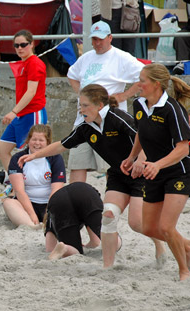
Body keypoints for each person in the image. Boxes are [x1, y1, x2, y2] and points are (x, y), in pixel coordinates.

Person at [19, 84, 165, 268]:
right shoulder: (85, 128)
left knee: (136, 223)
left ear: (99, 105)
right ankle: (108, 266)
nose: (81, 110)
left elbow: (145, 136)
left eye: (85, 105)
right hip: (118, 176)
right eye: (79, 106)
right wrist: (34, 155)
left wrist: (140, 160)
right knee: (108, 217)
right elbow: (62, 144)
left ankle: (161, 244)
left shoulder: (117, 117)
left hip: (140, 174)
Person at [121, 63, 190, 281]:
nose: (138, 84)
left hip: (178, 172)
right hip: (153, 172)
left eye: (142, 80)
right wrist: (132, 156)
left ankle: (184, 271)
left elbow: (184, 148)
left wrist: (158, 164)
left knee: (167, 227)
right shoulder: (139, 104)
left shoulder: (172, 109)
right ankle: (186, 247)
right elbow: (141, 131)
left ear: (156, 85)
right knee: (149, 227)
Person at [66, 20, 143, 184]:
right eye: (94, 39)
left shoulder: (122, 57)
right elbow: (72, 75)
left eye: (100, 39)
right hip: (84, 119)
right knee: (77, 163)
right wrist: (81, 94)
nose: (97, 43)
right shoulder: (86, 57)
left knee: (112, 165)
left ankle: (111, 200)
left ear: (110, 37)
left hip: (109, 119)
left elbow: (144, 76)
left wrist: (124, 95)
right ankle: (76, 202)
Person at [0, 29, 47, 177]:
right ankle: (15, 180)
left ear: (32, 44)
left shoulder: (34, 63)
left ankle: (26, 184)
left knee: (32, 154)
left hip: (32, 113)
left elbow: (31, 92)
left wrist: (13, 112)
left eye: (23, 45)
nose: (19, 48)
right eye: (16, 45)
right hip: (21, 113)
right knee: (2, 149)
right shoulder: (25, 63)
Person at [3, 124, 65, 228]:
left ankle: (48, 222)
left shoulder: (55, 158)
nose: (37, 143)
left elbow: (56, 190)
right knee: (8, 203)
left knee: (67, 202)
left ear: (48, 143)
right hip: (27, 205)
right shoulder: (17, 158)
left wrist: (48, 212)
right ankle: (32, 226)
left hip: (49, 203)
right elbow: (19, 191)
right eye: (34, 139)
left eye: (41, 140)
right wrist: (32, 214)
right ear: (28, 141)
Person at [44, 182, 103, 260]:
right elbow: (95, 241)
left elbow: (49, 248)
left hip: (58, 201)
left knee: (74, 249)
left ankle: (65, 248)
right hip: (85, 191)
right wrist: (88, 246)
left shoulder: (50, 218)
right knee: (105, 234)